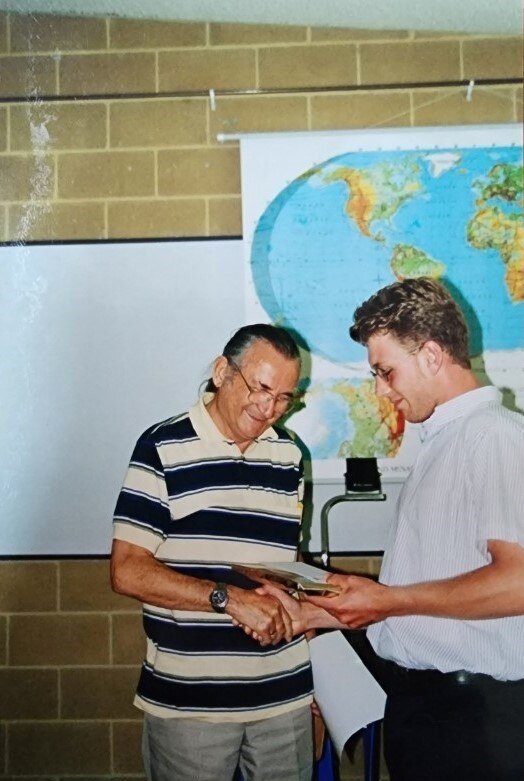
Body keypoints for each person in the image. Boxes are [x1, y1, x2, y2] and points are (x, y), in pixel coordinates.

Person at [257, 278, 524, 780]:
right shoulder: (445, 440)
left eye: (385, 371)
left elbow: (518, 583)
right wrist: (320, 613)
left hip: (477, 725)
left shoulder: (493, 438)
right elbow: (434, 605)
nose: (380, 389)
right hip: (430, 713)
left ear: (430, 355)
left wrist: (388, 600)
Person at [110, 324, 314, 781]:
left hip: (285, 696)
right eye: (261, 388)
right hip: (190, 705)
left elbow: (286, 568)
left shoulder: (290, 457)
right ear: (223, 371)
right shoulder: (161, 447)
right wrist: (230, 599)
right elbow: (127, 572)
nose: (269, 408)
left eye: (285, 397)